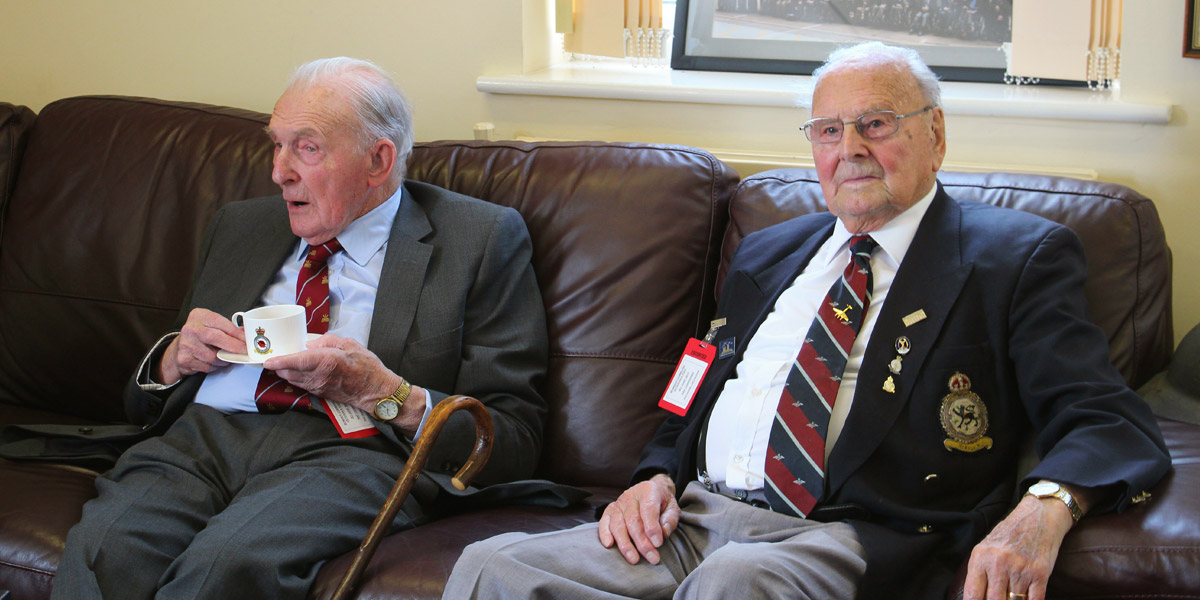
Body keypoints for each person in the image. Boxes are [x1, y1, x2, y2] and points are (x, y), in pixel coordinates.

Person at [442, 42, 1170, 600]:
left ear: (935, 135)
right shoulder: (767, 252)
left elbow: (1104, 416)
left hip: (846, 535)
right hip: (691, 522)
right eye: (827, 131)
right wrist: (653, 475)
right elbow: (689, 394)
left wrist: (1047, 507)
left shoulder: (1015, 257)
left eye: (875, 124)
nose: (848, 148)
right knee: (491, 566)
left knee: (735, 587)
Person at [48, 57, 550, 599]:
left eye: (307, 148)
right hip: (200, 439)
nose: (278, 171)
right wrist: (174, 358)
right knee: (107, 549)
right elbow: (143, 403)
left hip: (349, 452)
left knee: (226, 567)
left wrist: (381, 392)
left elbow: (512, 437)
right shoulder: (241, 225)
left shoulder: (479, 239)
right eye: (276, 143)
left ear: (378, 160)